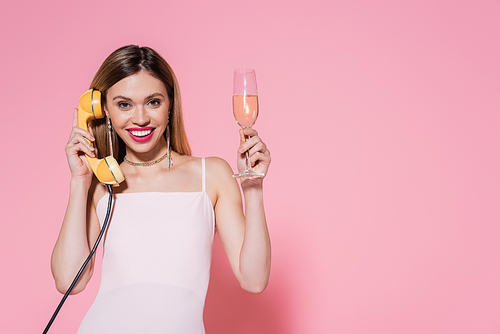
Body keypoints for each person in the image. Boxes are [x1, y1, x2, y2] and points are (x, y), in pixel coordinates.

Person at [50, 45, 271, 333]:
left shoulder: (211, 175)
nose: (140, 118)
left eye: (153, 102)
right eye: (124, 104)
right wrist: (80, 181)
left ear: (170, 104)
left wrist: (252, 187)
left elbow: (253, 279)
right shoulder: (101, 184)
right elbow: (69, 281)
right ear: (103, 109)